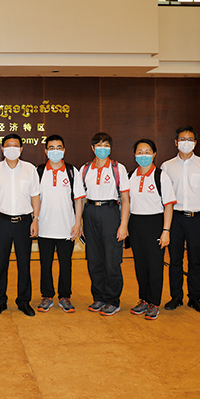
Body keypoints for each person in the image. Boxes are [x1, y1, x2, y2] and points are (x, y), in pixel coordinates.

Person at [161, 126, 200, 314]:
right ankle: (176, 296)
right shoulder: (167, 166)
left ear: (195, 142)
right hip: (175, 218)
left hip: (197, 219)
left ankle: (195, 298)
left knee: (195, 260)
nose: (186, 142)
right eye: (182, 139)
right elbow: (164, 197)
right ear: (176, 142)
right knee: (174, 260)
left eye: (190, 139)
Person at [0, 133, 41, 317]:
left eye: (16, 145)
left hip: (24, 223)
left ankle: (24, 301)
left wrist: (35, 219)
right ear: (2, 149)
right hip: (1, 222)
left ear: (21, 149)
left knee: (24, 264)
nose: (12, 148)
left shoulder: (30, 169)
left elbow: (35, 197)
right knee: (1, 264)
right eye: (8, 145)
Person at [80, 132, 130, 316]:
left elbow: (125, 199)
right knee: (94, 259)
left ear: (110, 148)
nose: (102, 149)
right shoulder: (85, 169)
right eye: (99, 145)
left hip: (110, 212)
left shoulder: (118, 168)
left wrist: (123, 225)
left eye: (106, 145)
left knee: (112, 260)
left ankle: (112, 300)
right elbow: (80, 198)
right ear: (92, 148)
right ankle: (99, 297)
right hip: (90, 212)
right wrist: (80, 223)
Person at [127, 139, 176, 320]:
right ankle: (144, 299)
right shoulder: (130, 176)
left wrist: (166, 231)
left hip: (155, 223)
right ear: (134, 154)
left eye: (147, 152)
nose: (143, 155)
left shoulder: (161, 176)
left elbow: (168, 206)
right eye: (139, 152)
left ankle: (154, 302)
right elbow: (126, 202)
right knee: (140, 265)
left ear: (154, 154)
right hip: (135, 223)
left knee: (154, 266)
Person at [35, 134, 83, 313]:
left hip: (66, 228)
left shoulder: (72, 171)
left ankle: (65, 296)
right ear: (46, 151)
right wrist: (35, 220)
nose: (55, 151)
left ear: (64, 150)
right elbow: (34, 198)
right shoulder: (39, 172)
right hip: (44, 227)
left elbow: (79, 199)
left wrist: (78, 223)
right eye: (51, 148)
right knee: (45, 264)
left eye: (58, 147)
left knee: (66, 264)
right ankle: (47, 296)